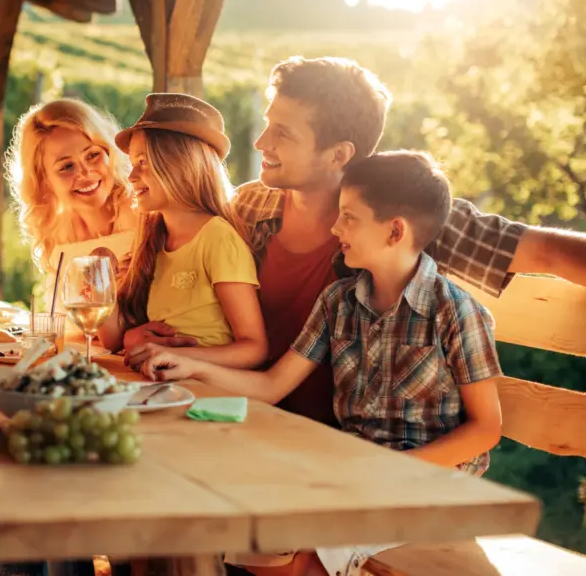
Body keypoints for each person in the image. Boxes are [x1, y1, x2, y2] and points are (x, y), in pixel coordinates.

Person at [124, 56, 586, 426]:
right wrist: (139, 329)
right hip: (247, 418)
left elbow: (548, 251)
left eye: (283, 133)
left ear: (339, 154)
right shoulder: (248, 208)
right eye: (268, 124)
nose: (261, 142)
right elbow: (178, 267)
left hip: (351, 444)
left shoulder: (399, 213)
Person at [144, 151, 503, 576]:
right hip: (352, 469)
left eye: (349, 217)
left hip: (430, 483)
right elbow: (273, 385)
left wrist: (390, 470)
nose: (335, 228)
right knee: (236, 533)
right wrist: (194, 366)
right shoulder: (339, 301)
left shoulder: (455, 313)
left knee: (302, 564)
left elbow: (486, 428)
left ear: (395, 231)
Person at [98, 93, 268, 371]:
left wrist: (181, 358)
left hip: (208, 387)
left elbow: (254, 349)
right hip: (160, 380)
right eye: (132, 165)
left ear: (180, 165)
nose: (130, 177)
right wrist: (102, 284)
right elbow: (112, 339)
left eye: (143, 162)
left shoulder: (217, 238)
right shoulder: (153, 238)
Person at [4, 98, 137, 277]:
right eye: (67, 166)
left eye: (92, 155)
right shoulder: (55, 234)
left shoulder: (142, 213)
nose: (85, 173)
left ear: (109, 152)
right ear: (44, 179)